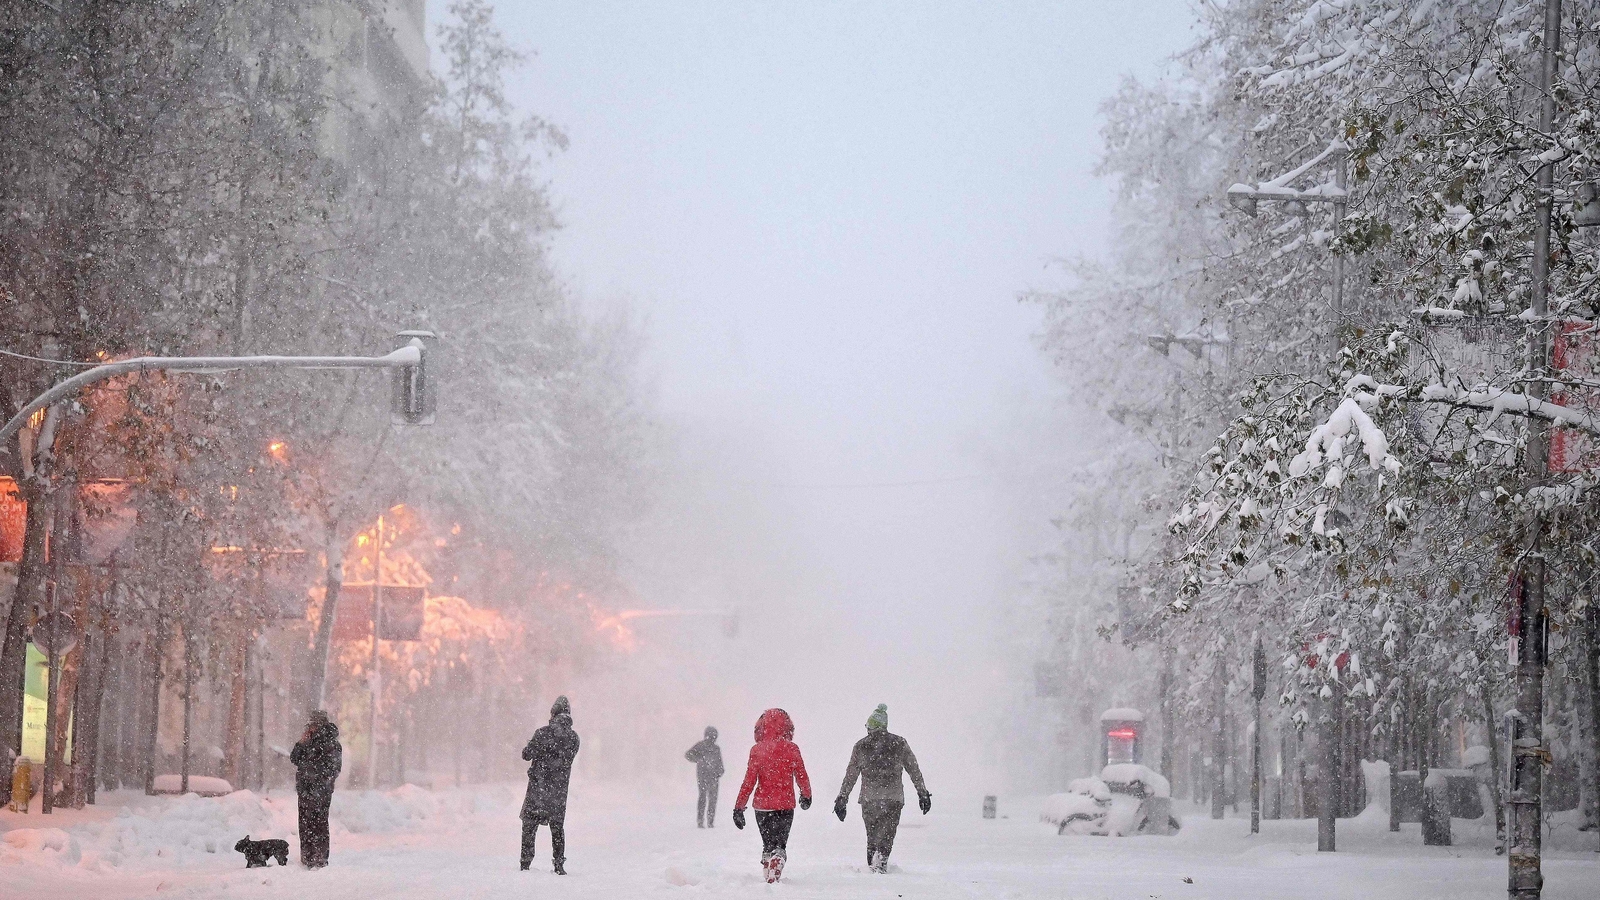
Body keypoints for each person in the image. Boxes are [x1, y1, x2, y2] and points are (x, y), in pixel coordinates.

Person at [833, 704, 930, 874]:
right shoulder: (899, 743)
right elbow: (913, 769)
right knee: (887, 835)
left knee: (872, 835)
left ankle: (873, 863)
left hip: (870, 798)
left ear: (872, 726)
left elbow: (851, 775)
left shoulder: (861, 746)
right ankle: (881, 860)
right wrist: (922, 793)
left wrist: (842, 797)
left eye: (868, 727)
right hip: (893, 798)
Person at [732, 708, 811, 883]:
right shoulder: (792, 749)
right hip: (785, 806)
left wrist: (739, 807)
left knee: (768, 843)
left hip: (762, 807)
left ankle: (768, 863)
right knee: (780, 844)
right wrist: (806, 795)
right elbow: (801, 775)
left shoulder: (757, 750)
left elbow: (748, 782)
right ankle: (778, 859)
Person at [520, 695, 581, 874]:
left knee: (529, 825)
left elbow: (526, 755)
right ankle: (559, 865)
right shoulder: (574, 738)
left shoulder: (542, 733)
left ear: (553, 713)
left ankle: (525, 863)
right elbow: (566, 760)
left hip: (538, 788)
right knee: (557, 828)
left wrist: (535, 748)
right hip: (559, 791)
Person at [289, 709, 342, 869]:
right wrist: (301, 743)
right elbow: (294, 758)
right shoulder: (308, 741)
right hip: (305, 789)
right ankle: (307, 857)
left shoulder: (331, 743)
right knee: (305, 824)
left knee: (319, 824)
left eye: (312, 725)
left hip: (321, 791)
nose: (310, 728)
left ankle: (319, 858)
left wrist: (314, 775)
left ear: (319, 725)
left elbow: (333, 768)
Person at [684, 726, 725, 828]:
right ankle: (703, 821)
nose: (712, 738)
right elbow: (688, 755)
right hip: (705, 776)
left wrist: (719, 772)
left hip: (710, 776)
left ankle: (707, 821)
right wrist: (698, 759)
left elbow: (719, 763)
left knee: (710, 799)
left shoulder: (715, 748)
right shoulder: (701, 746)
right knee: (707, 798)